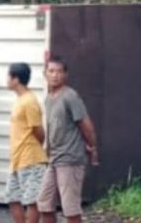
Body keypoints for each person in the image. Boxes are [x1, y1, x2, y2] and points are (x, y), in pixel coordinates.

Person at [38, 56, 98, 223]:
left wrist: (92, 148)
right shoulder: (49, 98)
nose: (55, 75)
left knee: (70, 209)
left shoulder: (70, 96)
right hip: (54, 159)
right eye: (51, 71)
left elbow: (86, 124)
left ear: (66, 75)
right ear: (45, 74)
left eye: (59, 71)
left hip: (70, 158)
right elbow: (52, 128)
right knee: (44, 204)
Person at [5, 63, 47, 223]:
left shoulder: (29, 101)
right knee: (12, 197)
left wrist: (36, 148)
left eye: (8, 76)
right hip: (17, 159)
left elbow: (38, 130)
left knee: (31, 201)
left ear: (16, 79)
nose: (6, 80)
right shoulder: (20, 100)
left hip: (31, 159)